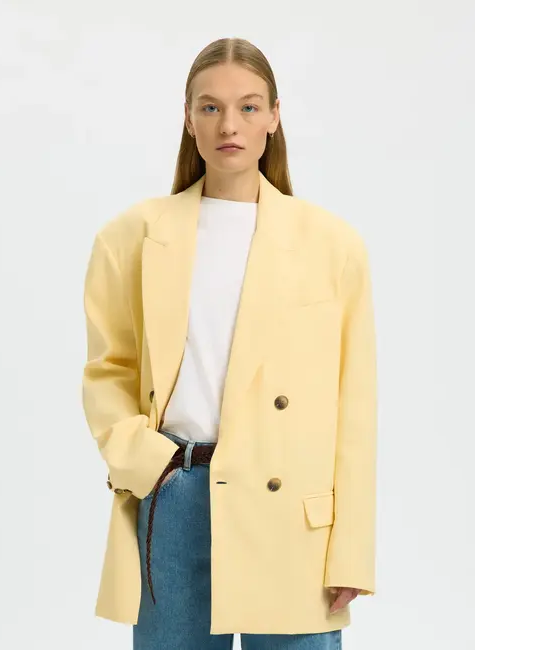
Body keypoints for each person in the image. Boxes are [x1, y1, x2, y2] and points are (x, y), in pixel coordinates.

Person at [82, 37, 377, 650]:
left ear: (274, 116)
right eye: (210, 107)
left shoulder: (332, 245)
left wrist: (351, 547)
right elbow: (109, 369)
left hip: (291, 510)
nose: (229, 125)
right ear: (189, 119)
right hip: (176, 491)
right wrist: (146, 461)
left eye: (248, 106)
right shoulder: (130, 237)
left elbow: (355, 407)